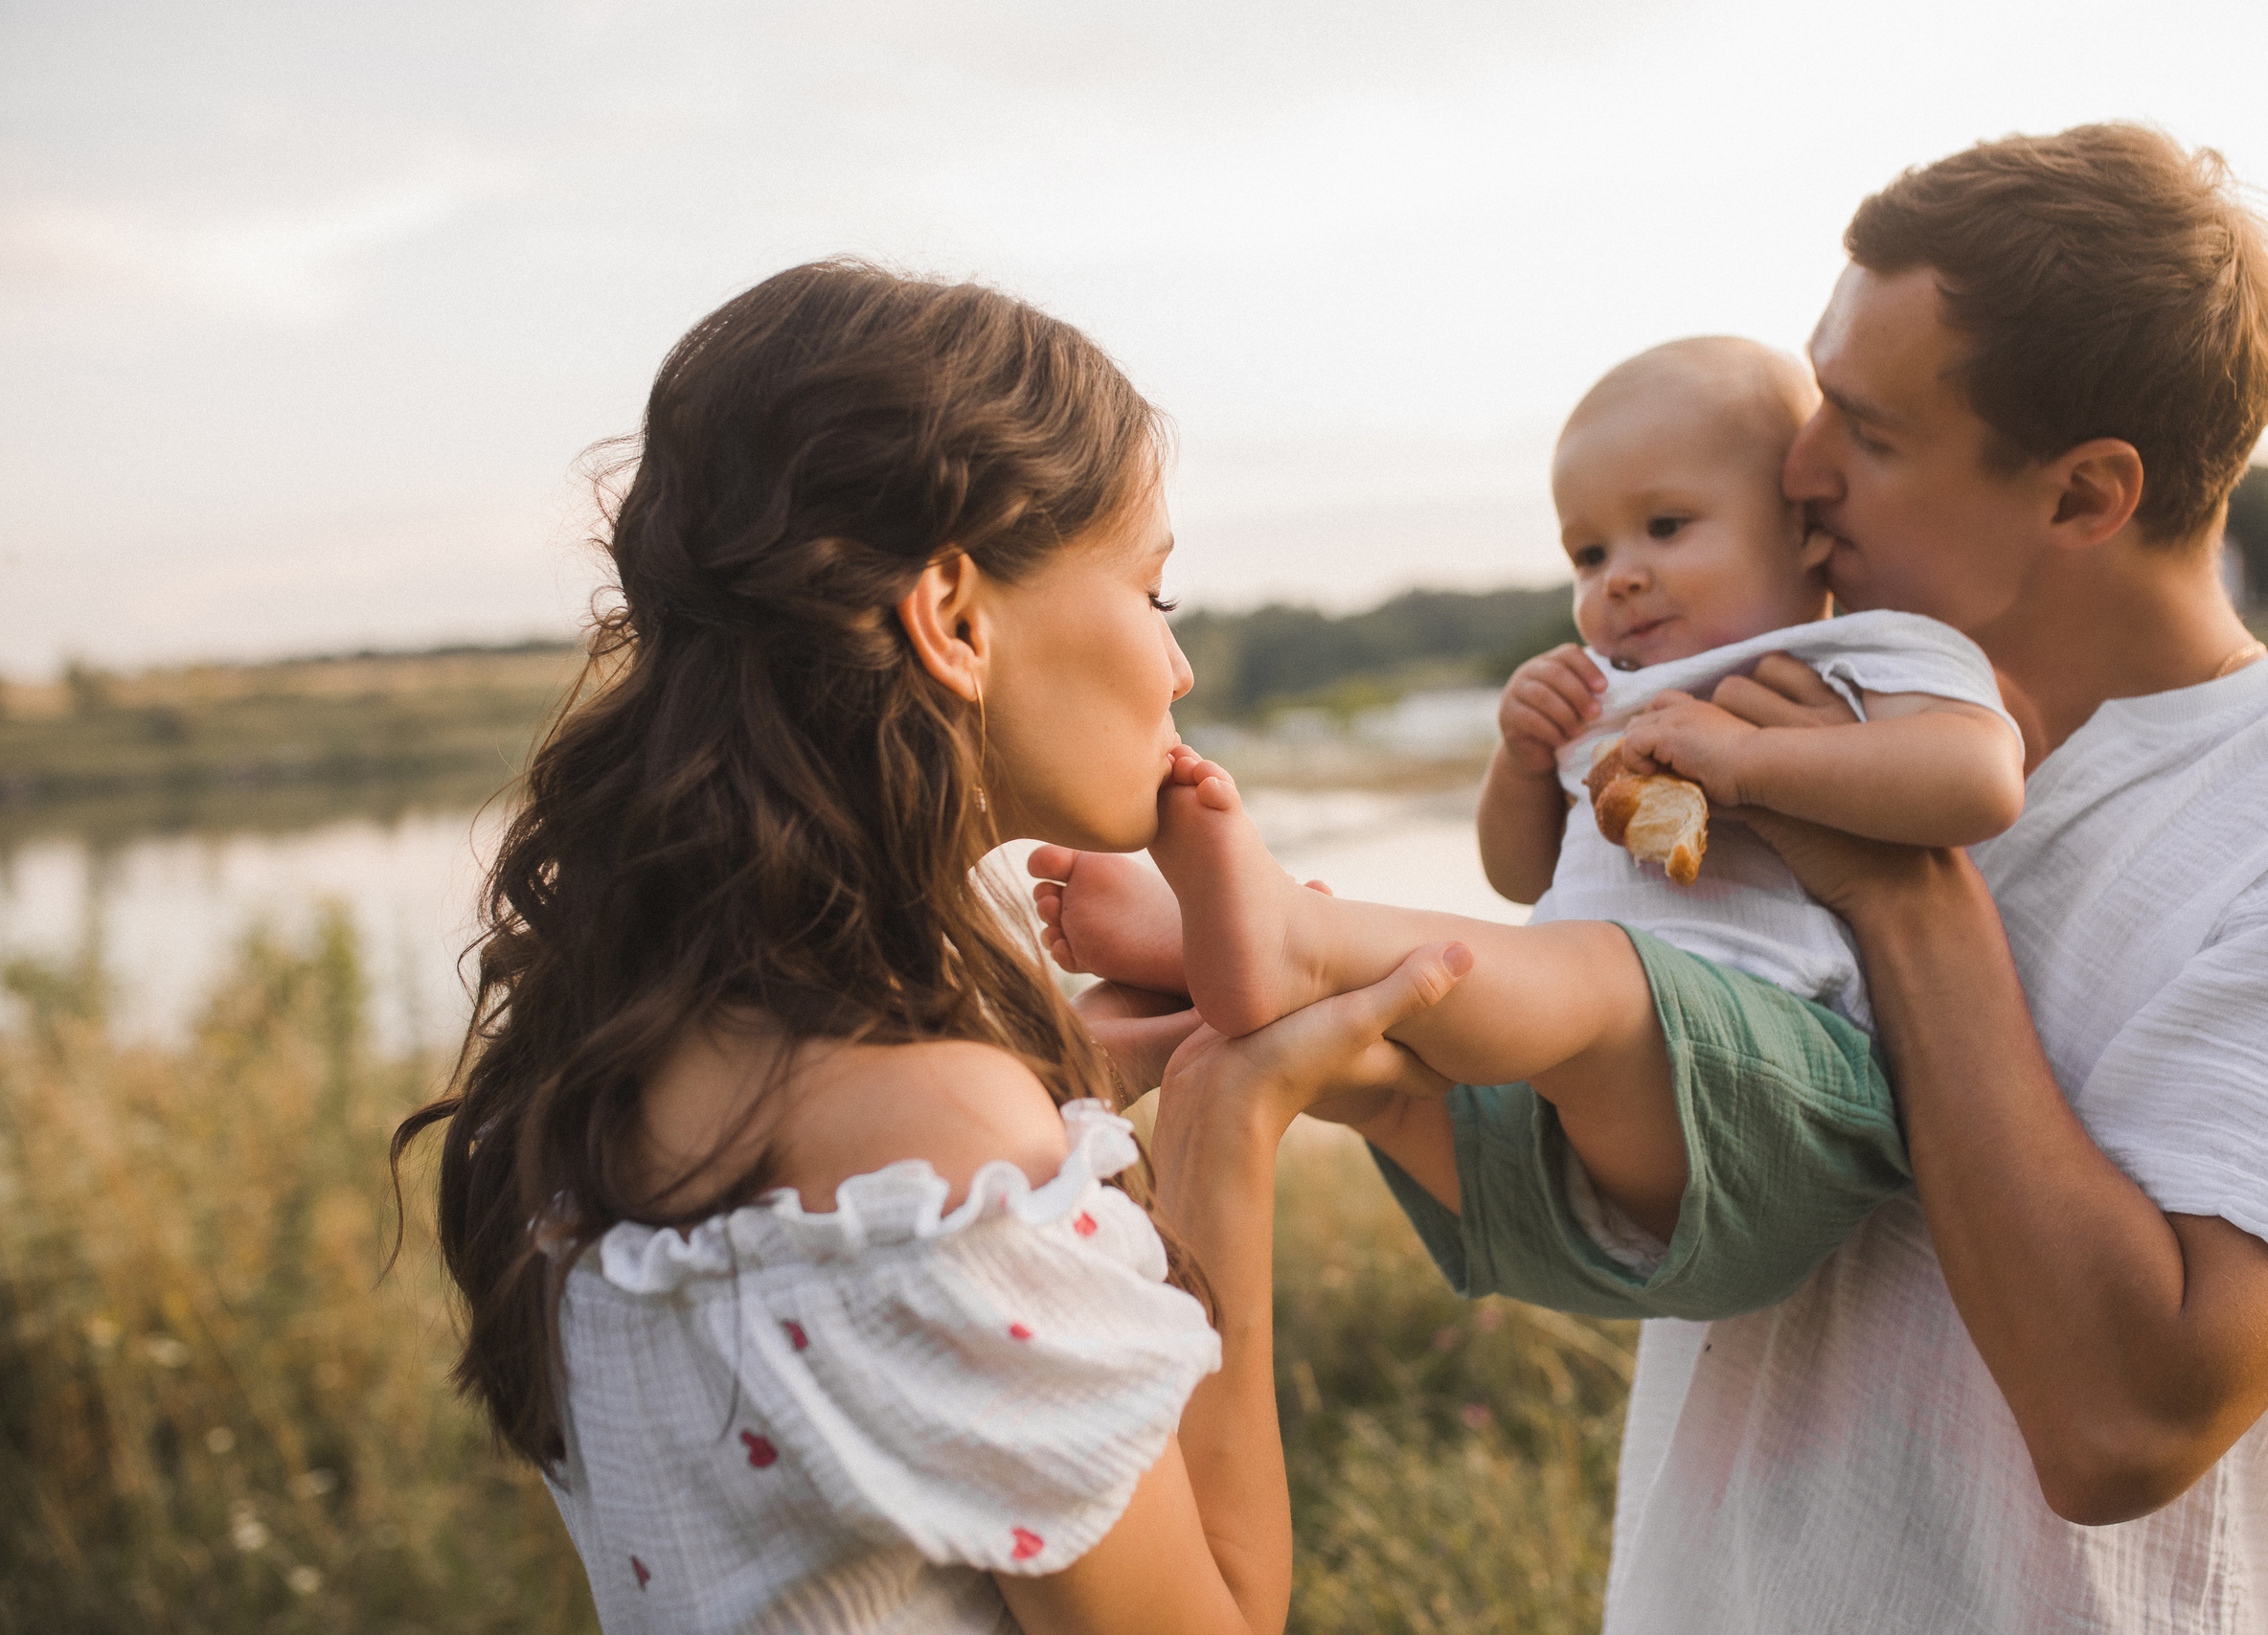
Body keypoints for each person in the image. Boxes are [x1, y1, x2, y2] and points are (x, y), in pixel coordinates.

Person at [1371, 125, 2268, 1631]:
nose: (1799, 468)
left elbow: (2124, 1423)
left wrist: (1901, 892)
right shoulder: (1788, 717)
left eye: (1867, 433)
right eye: (1819, 400)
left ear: (2085, 495)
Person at [390, 261, 1470, 1635]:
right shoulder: (942, 1145)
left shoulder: (600, 1059)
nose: (1177, 666)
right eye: (1157, 593)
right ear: (956, 617)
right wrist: (1227, 1114)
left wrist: (1067, 1076)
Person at [1029, 334, 2026, 1319]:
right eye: (1588, 553)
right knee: (1395, 1075)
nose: (1620, 576)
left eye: (1667, 527)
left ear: (1806, 528)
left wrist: (1752, 762)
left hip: (1782, 1101)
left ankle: (1292, 933)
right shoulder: (1601, 691)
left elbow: (1978, 779)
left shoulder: (1856, 648)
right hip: (1564, 1173)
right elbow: (1519, 872)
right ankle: (1212, 992)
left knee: (1579, 980)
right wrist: (1523, 761)